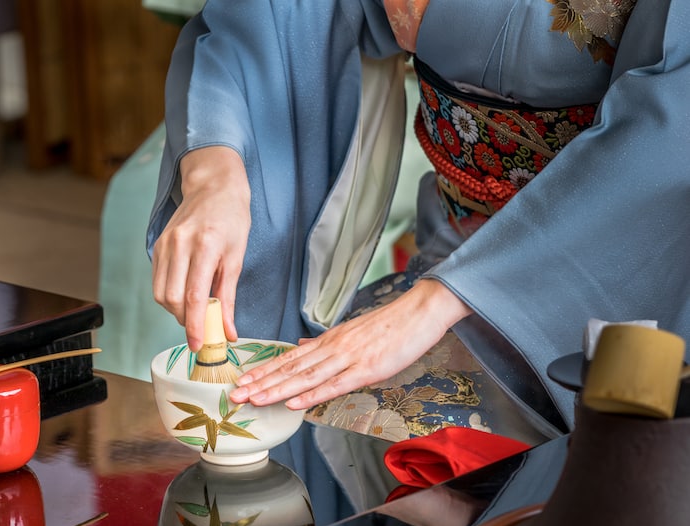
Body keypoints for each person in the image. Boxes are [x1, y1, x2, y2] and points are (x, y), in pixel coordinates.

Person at [147, 0, 690, 434]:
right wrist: (216, 173)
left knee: (388, 430)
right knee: (300, 410)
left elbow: (665, 142)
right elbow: (274, 14)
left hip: (625, 290)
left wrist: (432, 305)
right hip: (450, 248)